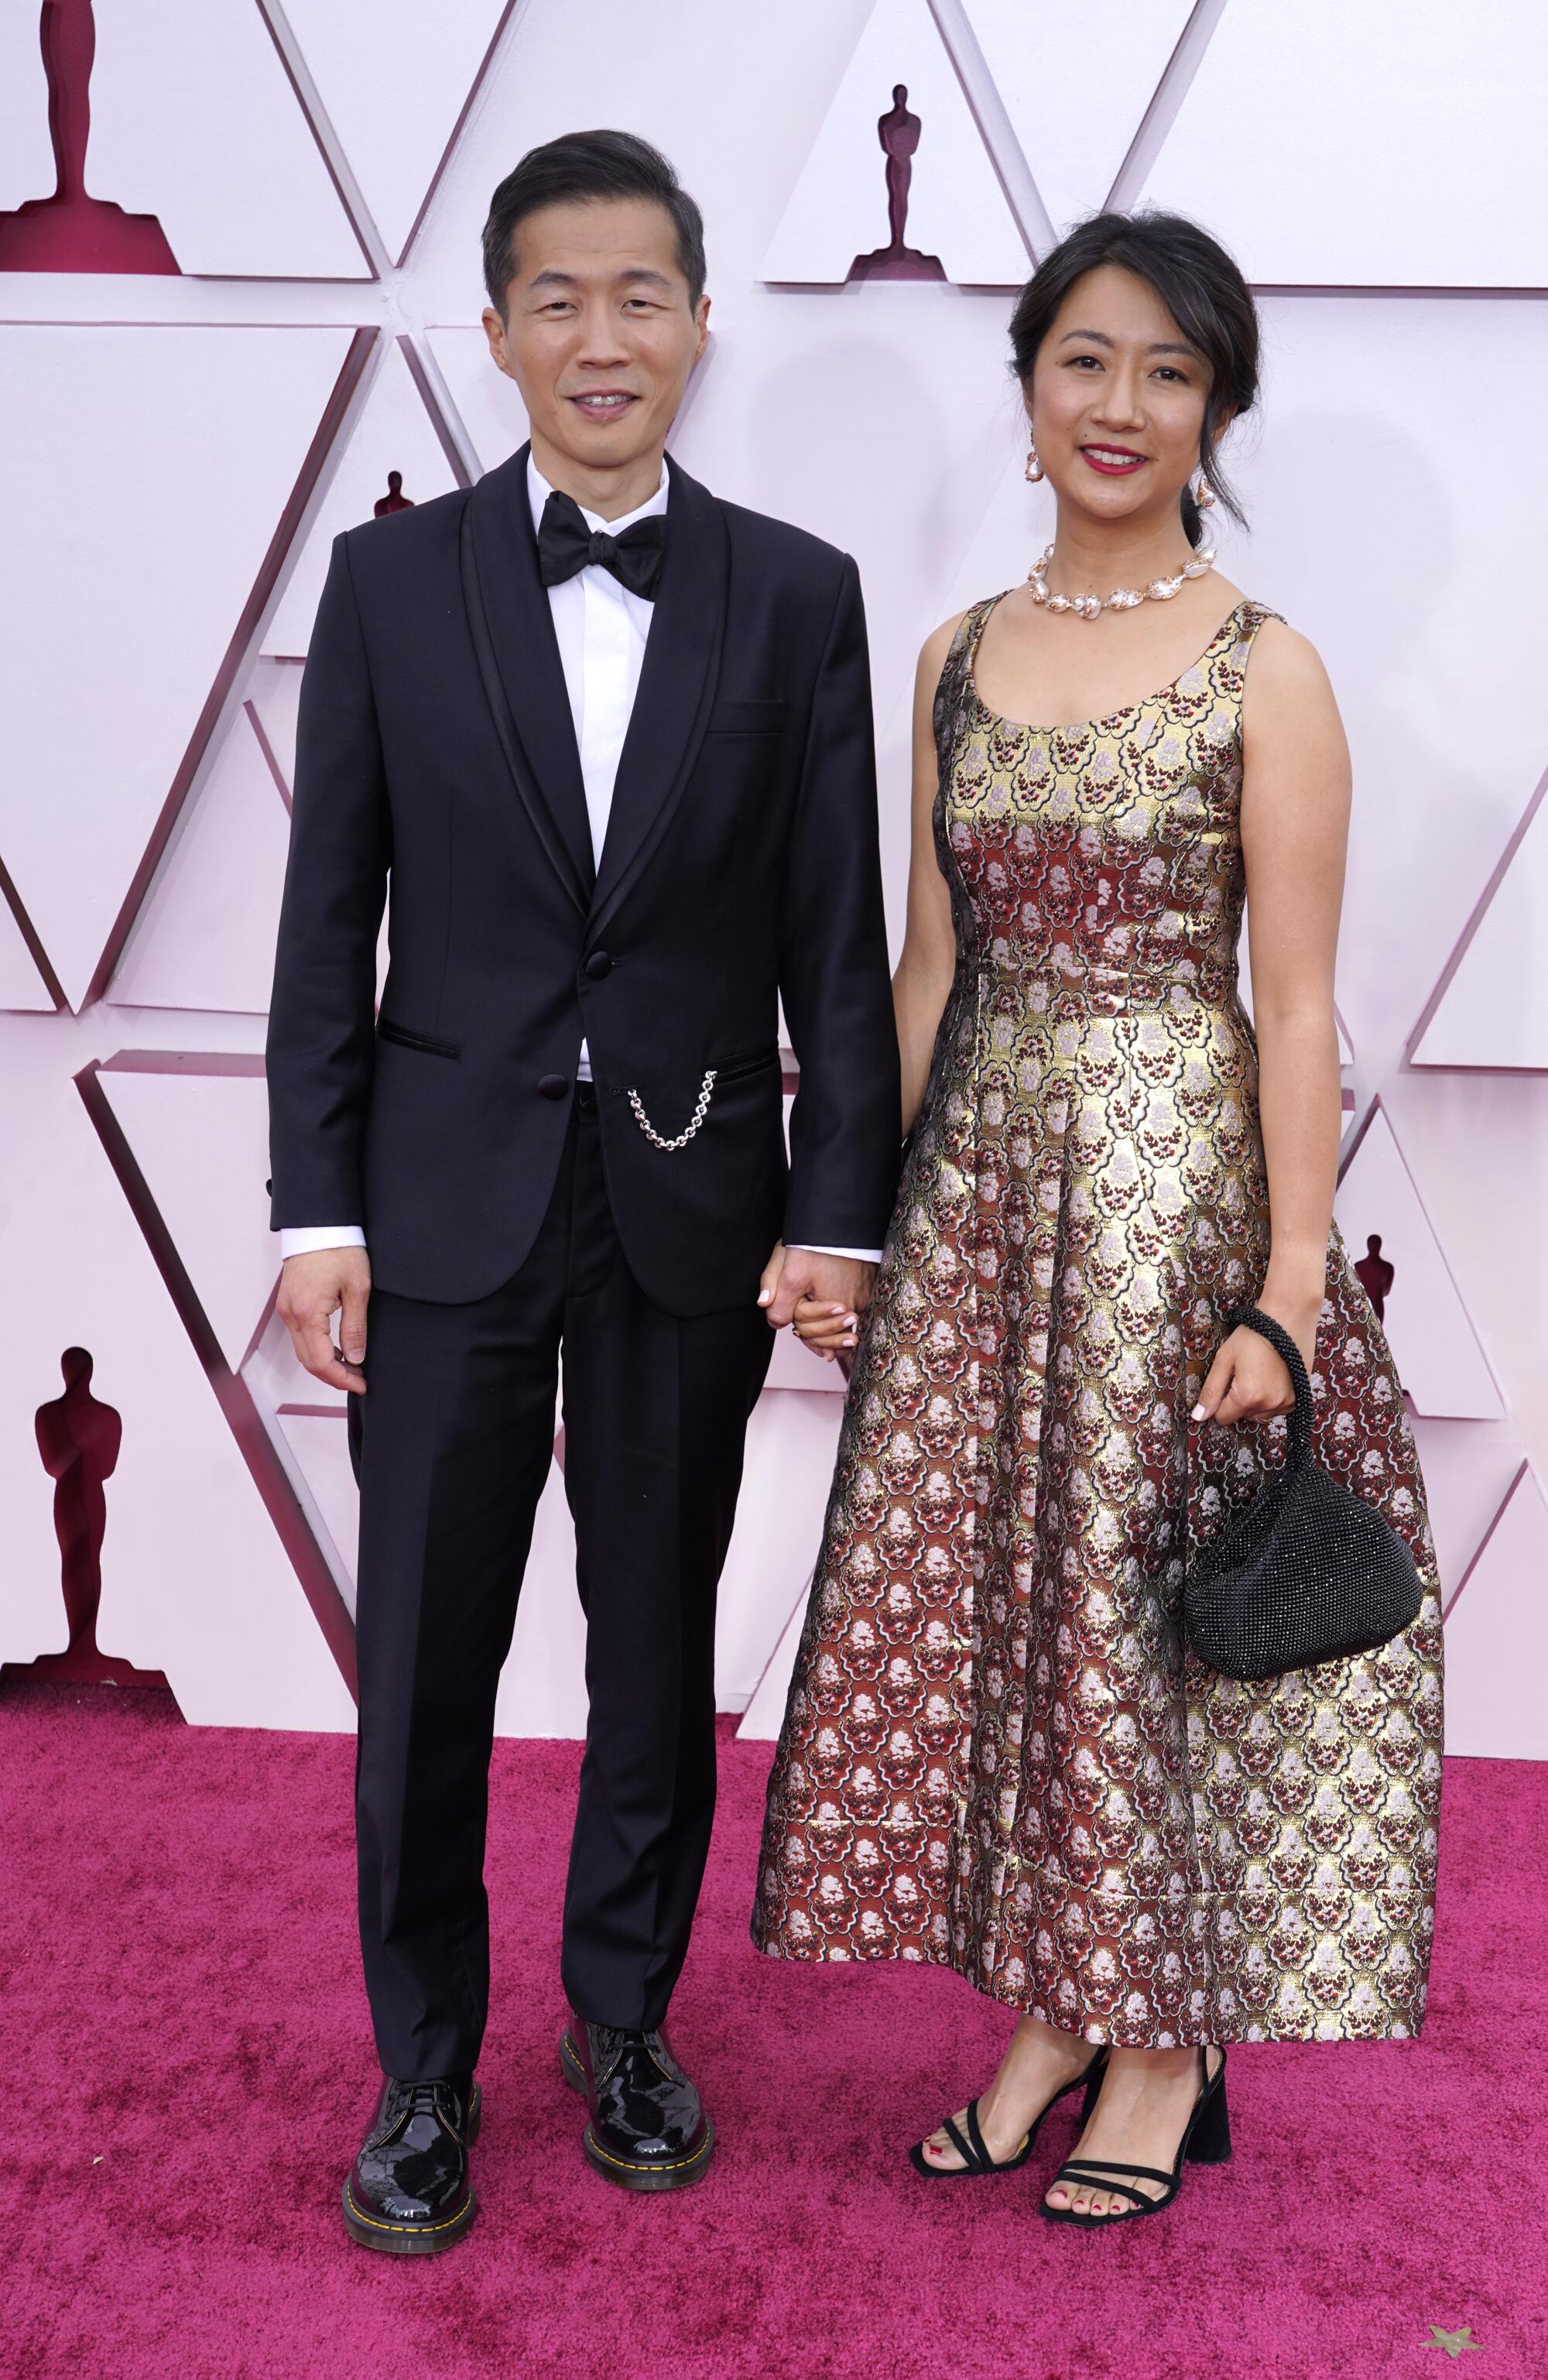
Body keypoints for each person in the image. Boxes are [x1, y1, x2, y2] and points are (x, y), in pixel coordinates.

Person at [754, 211, 1444, 2227]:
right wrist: (850, 1220)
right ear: (1031, 383)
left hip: (1175, 1204)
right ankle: (1054, 2005)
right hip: (981, 1201)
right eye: (1086, 359)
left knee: (1152, 1621)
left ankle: (1161, 2040)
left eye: (1166, 368)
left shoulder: (1268, 668)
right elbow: (923, 971)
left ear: (1214, 404)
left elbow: (1299, 1002)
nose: (1120, 404)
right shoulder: (956, 654)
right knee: (1017, 1612)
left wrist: (1293, 1292)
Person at [265, 129, 899, 2251]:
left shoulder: (799, 593)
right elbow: (322, 921)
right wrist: (310, 1209)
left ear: (704, 325)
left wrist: (838, 1208)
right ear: (498, 327)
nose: (603, 337)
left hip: (693, 1205)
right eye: (561, 298)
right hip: (435, 1210)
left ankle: (620, 2015)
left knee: (653, 1643)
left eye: (644, 298)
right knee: (426, 1668)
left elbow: (834, 937)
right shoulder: (385, 583)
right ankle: (420, 2069)